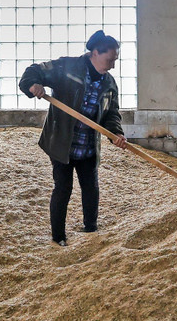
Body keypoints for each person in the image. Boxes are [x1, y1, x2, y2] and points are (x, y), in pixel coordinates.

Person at [19, 30, 128, 246]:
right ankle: (58, 237)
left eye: (115, 60)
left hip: (88, 145)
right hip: (62, 143)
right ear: (95, 52)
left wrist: (116, 132)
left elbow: (111, 112)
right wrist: (33, 85)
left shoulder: (109, 83)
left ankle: (90, 229)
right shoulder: (67, 68)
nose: (113, 65)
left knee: (91, 187)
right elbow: (33, 71)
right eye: (109, 59)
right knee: (63, 188)